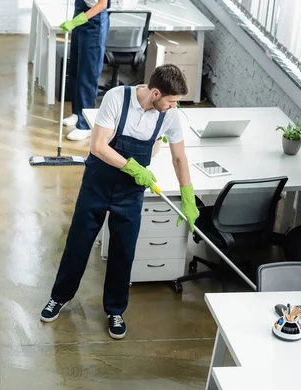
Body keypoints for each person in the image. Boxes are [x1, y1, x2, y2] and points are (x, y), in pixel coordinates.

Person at [40, 64, 200, 339]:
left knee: (123, 252)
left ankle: (115, 310)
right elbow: (98, 146)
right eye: (171, 101)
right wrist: (135, 168)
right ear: (156, 93)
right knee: (78, 243)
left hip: (130, 193)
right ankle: (59, 297)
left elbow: (179, 157)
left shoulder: (170, 115)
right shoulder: (117, 98)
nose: (174, 107)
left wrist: (188, 196)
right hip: (98, 184)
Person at [60, 0, 110, 141]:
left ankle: (86, 125)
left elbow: (101, 4)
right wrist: (76, 21)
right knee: (75, 70)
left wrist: (77, 21)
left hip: (94, 22)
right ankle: (78, 113)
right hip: (81, 16)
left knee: (87, 75)